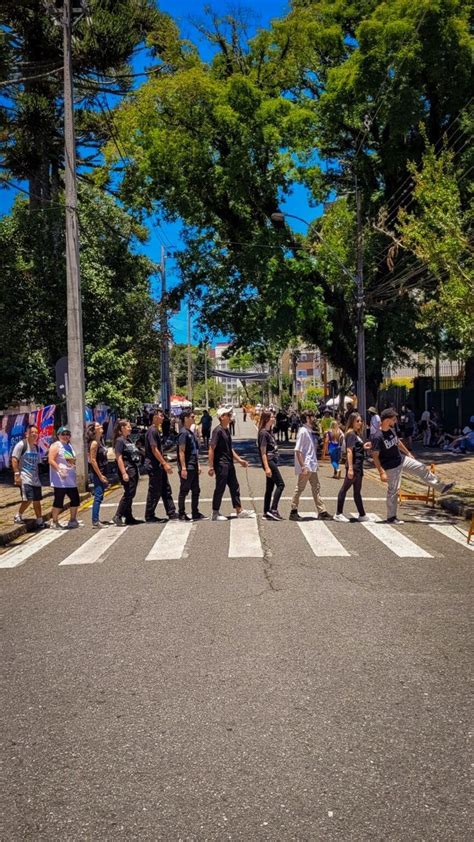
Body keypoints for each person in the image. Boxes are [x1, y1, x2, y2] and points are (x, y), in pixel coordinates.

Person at [371, 408, 455, 524]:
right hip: (391, 466)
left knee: (421, 467)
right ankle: (391, 517)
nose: (395, 421)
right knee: (393, 491)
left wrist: (408, 453)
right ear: (387, 420)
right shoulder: (377, 436)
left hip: (401, 459)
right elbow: (375, 455)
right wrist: (381, 472)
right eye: (393, 419)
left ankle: (441, 487)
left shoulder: (391, 430)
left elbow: (398, 443)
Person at [208, 406, 253, 520]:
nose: (230, 416)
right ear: (222, 417)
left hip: (229, 463)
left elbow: (229, 449)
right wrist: (211, 466)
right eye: (228, 415)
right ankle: (215, 512)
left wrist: (239, 460)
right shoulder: (217, 431)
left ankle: (239, 510)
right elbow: (211, 448)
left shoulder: (226, 430)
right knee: (220, 487)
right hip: (221, 464)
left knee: (235, 486)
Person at [289, 410, 330, 522]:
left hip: (312, 464)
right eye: (312, 416)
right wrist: (303, 466)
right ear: (307, 418)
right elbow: (298, 450)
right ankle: (293, 511)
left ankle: (322, 511)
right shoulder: (303, 431)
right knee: (300, 488)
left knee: (316, 487)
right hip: (306, 465)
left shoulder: (309, 430)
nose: (314, 418)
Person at [334, 413, 372, 522]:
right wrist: (350, 468)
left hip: (359, 466)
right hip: (354, 466)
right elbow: (349, 451)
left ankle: (362, 514)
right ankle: (338, 513)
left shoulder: (355, 434)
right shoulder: (351, 434)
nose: (360, 423)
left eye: (361, 421)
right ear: (352, 422)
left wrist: (363, 447)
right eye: (357, 421)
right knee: (344, 489)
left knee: (357, 491)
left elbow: (356, 449)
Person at [144, 409, 177, 523]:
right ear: (154, 417)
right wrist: (164, 463)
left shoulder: (156, 430)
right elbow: (154, 449)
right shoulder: (152, 431)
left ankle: (171, 512)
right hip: (154, 465)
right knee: (154, 490)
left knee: (165, 489)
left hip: (158, 465)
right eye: (160, 416)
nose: (163, 418)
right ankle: (149, 515)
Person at [11, 424, 47, 529]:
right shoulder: (21, 445)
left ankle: (40, 520)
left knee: (37, 500)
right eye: (32, 432)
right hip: (25, 477)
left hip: (35, 478)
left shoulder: (35, 447)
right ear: (27, 434)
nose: (34, 434)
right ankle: (18, 515)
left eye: (36, 432)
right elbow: (14, 459)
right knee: (28, 499)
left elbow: (38, 463)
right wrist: (17, 474)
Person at [48, 426, 81, 529]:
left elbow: (70, 460)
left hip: (70, 479)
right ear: (58, 435)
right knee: (59, 501)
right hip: (60, 480)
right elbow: (51, 460)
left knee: (75, 499)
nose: (66, 436)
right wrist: (59, 470)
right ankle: (54, 521)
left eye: (67, 434)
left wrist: (73, 465)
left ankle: (73, 519)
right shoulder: (56, 446)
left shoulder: (69, 446)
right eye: (63, 434)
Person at [177, 409, 207, 521]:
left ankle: (195, 512)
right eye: (192, 417)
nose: (194, 418)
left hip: (193, 465)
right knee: (184, 490)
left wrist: (198, 464)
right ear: (186, 419)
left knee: (196, 490)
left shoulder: (190, 432)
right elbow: (181, 451)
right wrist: (183, 467)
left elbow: (195, 451)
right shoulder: (183, 433)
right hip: (187, 466)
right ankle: (181, 513)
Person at [113, 419, 142, 526]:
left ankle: (129, 516)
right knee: (129, 493)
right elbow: (118, 457)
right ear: (122, 429)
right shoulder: (120, 441)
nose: (130, 428)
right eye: (128, 427)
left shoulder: (128, 440)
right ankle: (118, 515)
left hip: (133, 468)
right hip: (127, 469)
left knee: (131, 493)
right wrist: (124, 472)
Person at [258, 410, 285, 520]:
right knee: (280, 484)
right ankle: (273, 509)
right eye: (272, 417)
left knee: (269, 487)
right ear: (266, 419)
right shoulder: (263, 433)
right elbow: (263, 452)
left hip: (273, 460)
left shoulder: (270, 431)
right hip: (269, 461)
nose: (274, 418)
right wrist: (267, 467)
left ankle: (266, 511)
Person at [87, 422, 110, 528]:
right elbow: (92, 460)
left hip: (102, 471)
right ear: (94, 430)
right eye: (98, 426)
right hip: (97, 473)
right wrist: (100, 475)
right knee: (98, 496)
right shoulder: (94, 443)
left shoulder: (99, 441)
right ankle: (95, 521)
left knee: (100, 496)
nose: (101, 427)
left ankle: (96, 519)